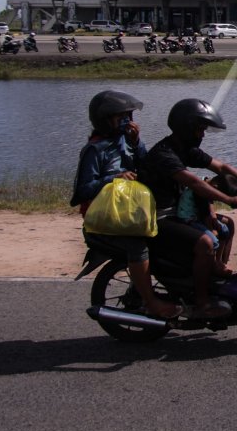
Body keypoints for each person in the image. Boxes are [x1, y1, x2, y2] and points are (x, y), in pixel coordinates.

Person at [72, 90, 183, 320]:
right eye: (120, 117)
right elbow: (82, 190)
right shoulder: (95, 149)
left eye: (128, 117)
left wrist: (136, 143)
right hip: (104, 220)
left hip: (129, 214)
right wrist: (114, 179)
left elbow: (146, 167)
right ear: (104, 120)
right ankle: (151, 303)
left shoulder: (125, 141)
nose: (127, 122)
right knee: (137, 246)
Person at [138, 99, 237, 319]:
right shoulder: (165, 154)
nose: (203, 135)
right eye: (200, 129)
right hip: (159, 216)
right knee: (205, 242)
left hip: (178, 213)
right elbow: (194, 183)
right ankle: (202, 303)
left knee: (227, 223)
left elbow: (221, 167)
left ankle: (214, 272)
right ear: (185, 127)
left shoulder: (186, 149)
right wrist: (229, 199)